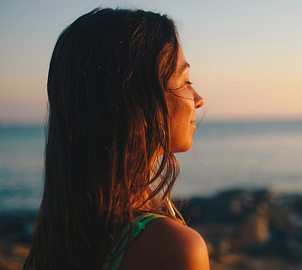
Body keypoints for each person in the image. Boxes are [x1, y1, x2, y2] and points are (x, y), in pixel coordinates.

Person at [24, 8, 209, 270]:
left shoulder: (58, 237)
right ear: (137, 100)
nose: (199, 100)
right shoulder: (174, 248)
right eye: (185, 80)